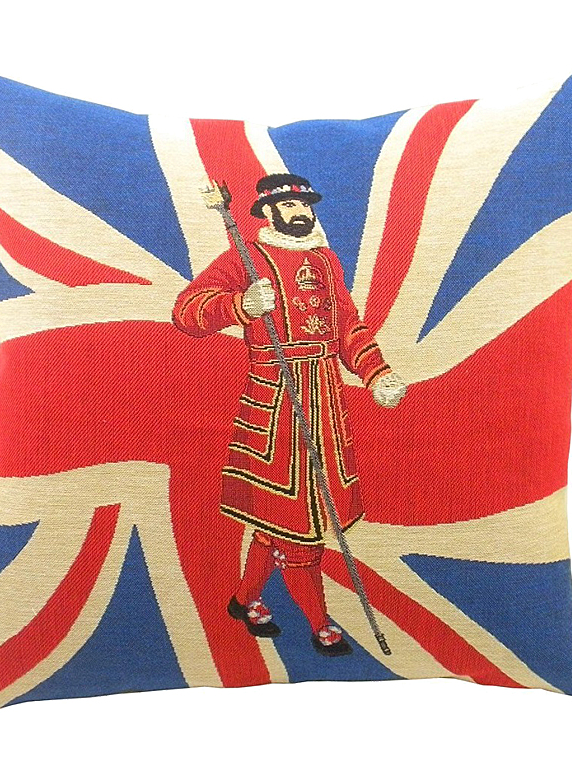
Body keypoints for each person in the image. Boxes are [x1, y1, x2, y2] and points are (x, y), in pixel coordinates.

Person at [172, 173, 406, 656]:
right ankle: (320, 625)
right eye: (289, 205)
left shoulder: (325, 259)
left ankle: (243, 600)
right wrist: (239, 305)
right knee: (297, 526)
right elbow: (186, 311)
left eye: (305, 205)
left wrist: (376, 372)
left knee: (282, 522)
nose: (300, 212)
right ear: (269, 212)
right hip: (276, 402)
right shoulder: (248, 257)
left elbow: (348, 325)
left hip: (325, 399)